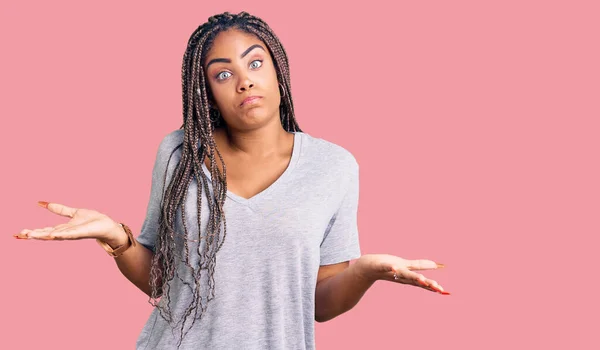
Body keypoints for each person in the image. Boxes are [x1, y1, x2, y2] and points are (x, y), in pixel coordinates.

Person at [15, 11, 449, 350]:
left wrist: (367, 271)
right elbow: (164, 281)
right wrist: (117, 238)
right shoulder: (179, 153)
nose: (244, 82)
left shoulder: (334, 167)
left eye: (254, 63)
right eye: (223, 74)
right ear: (207, 92)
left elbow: (317, 304)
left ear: (277, 69)